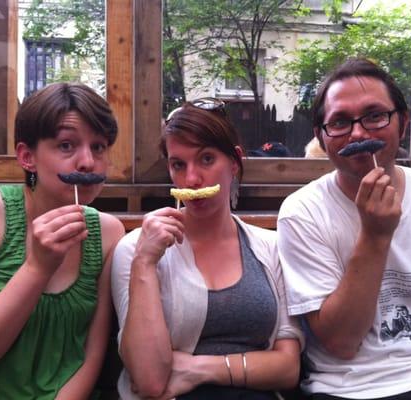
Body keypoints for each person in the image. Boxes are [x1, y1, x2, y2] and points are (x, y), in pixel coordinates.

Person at [277, 58, 411, 399]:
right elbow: (341, 342)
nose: (358, 133)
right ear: (321, 138)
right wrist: (374, 234)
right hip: (344, 389)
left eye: (374, 115)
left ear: (403, 122)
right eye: (339, 122)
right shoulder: (301, 212)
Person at [111, 98, 303, 400]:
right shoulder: (135, 249)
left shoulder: (271, 247)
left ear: (235, 163)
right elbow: (149, 381)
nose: (192, 179)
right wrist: (145, 264)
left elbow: (288, 368)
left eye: (207, 159)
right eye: (178, 165)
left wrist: (198, 368)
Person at [0, 82, 125, 399]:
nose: (87, 162)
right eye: (67, 146)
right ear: (27, 157)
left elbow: (89, 356)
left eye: (99, 147)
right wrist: (37, 268)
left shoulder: (109, 233)